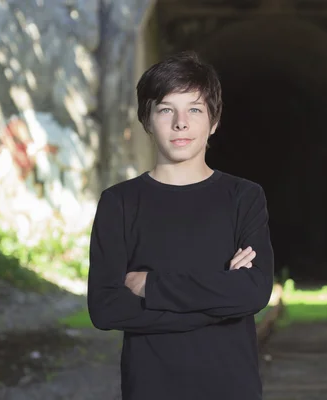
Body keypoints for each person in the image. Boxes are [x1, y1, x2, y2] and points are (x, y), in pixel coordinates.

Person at [87, 50, 275, 400]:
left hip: (231, 387)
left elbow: (254, 291)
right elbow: (104, 307)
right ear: (146, 119)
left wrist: (151, 287)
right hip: (151, 388)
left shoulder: (243, 197)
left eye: (194, 109)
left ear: (213, 121)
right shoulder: (119, 203)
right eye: (165, 109)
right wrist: (220, 306)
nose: (180, 123)